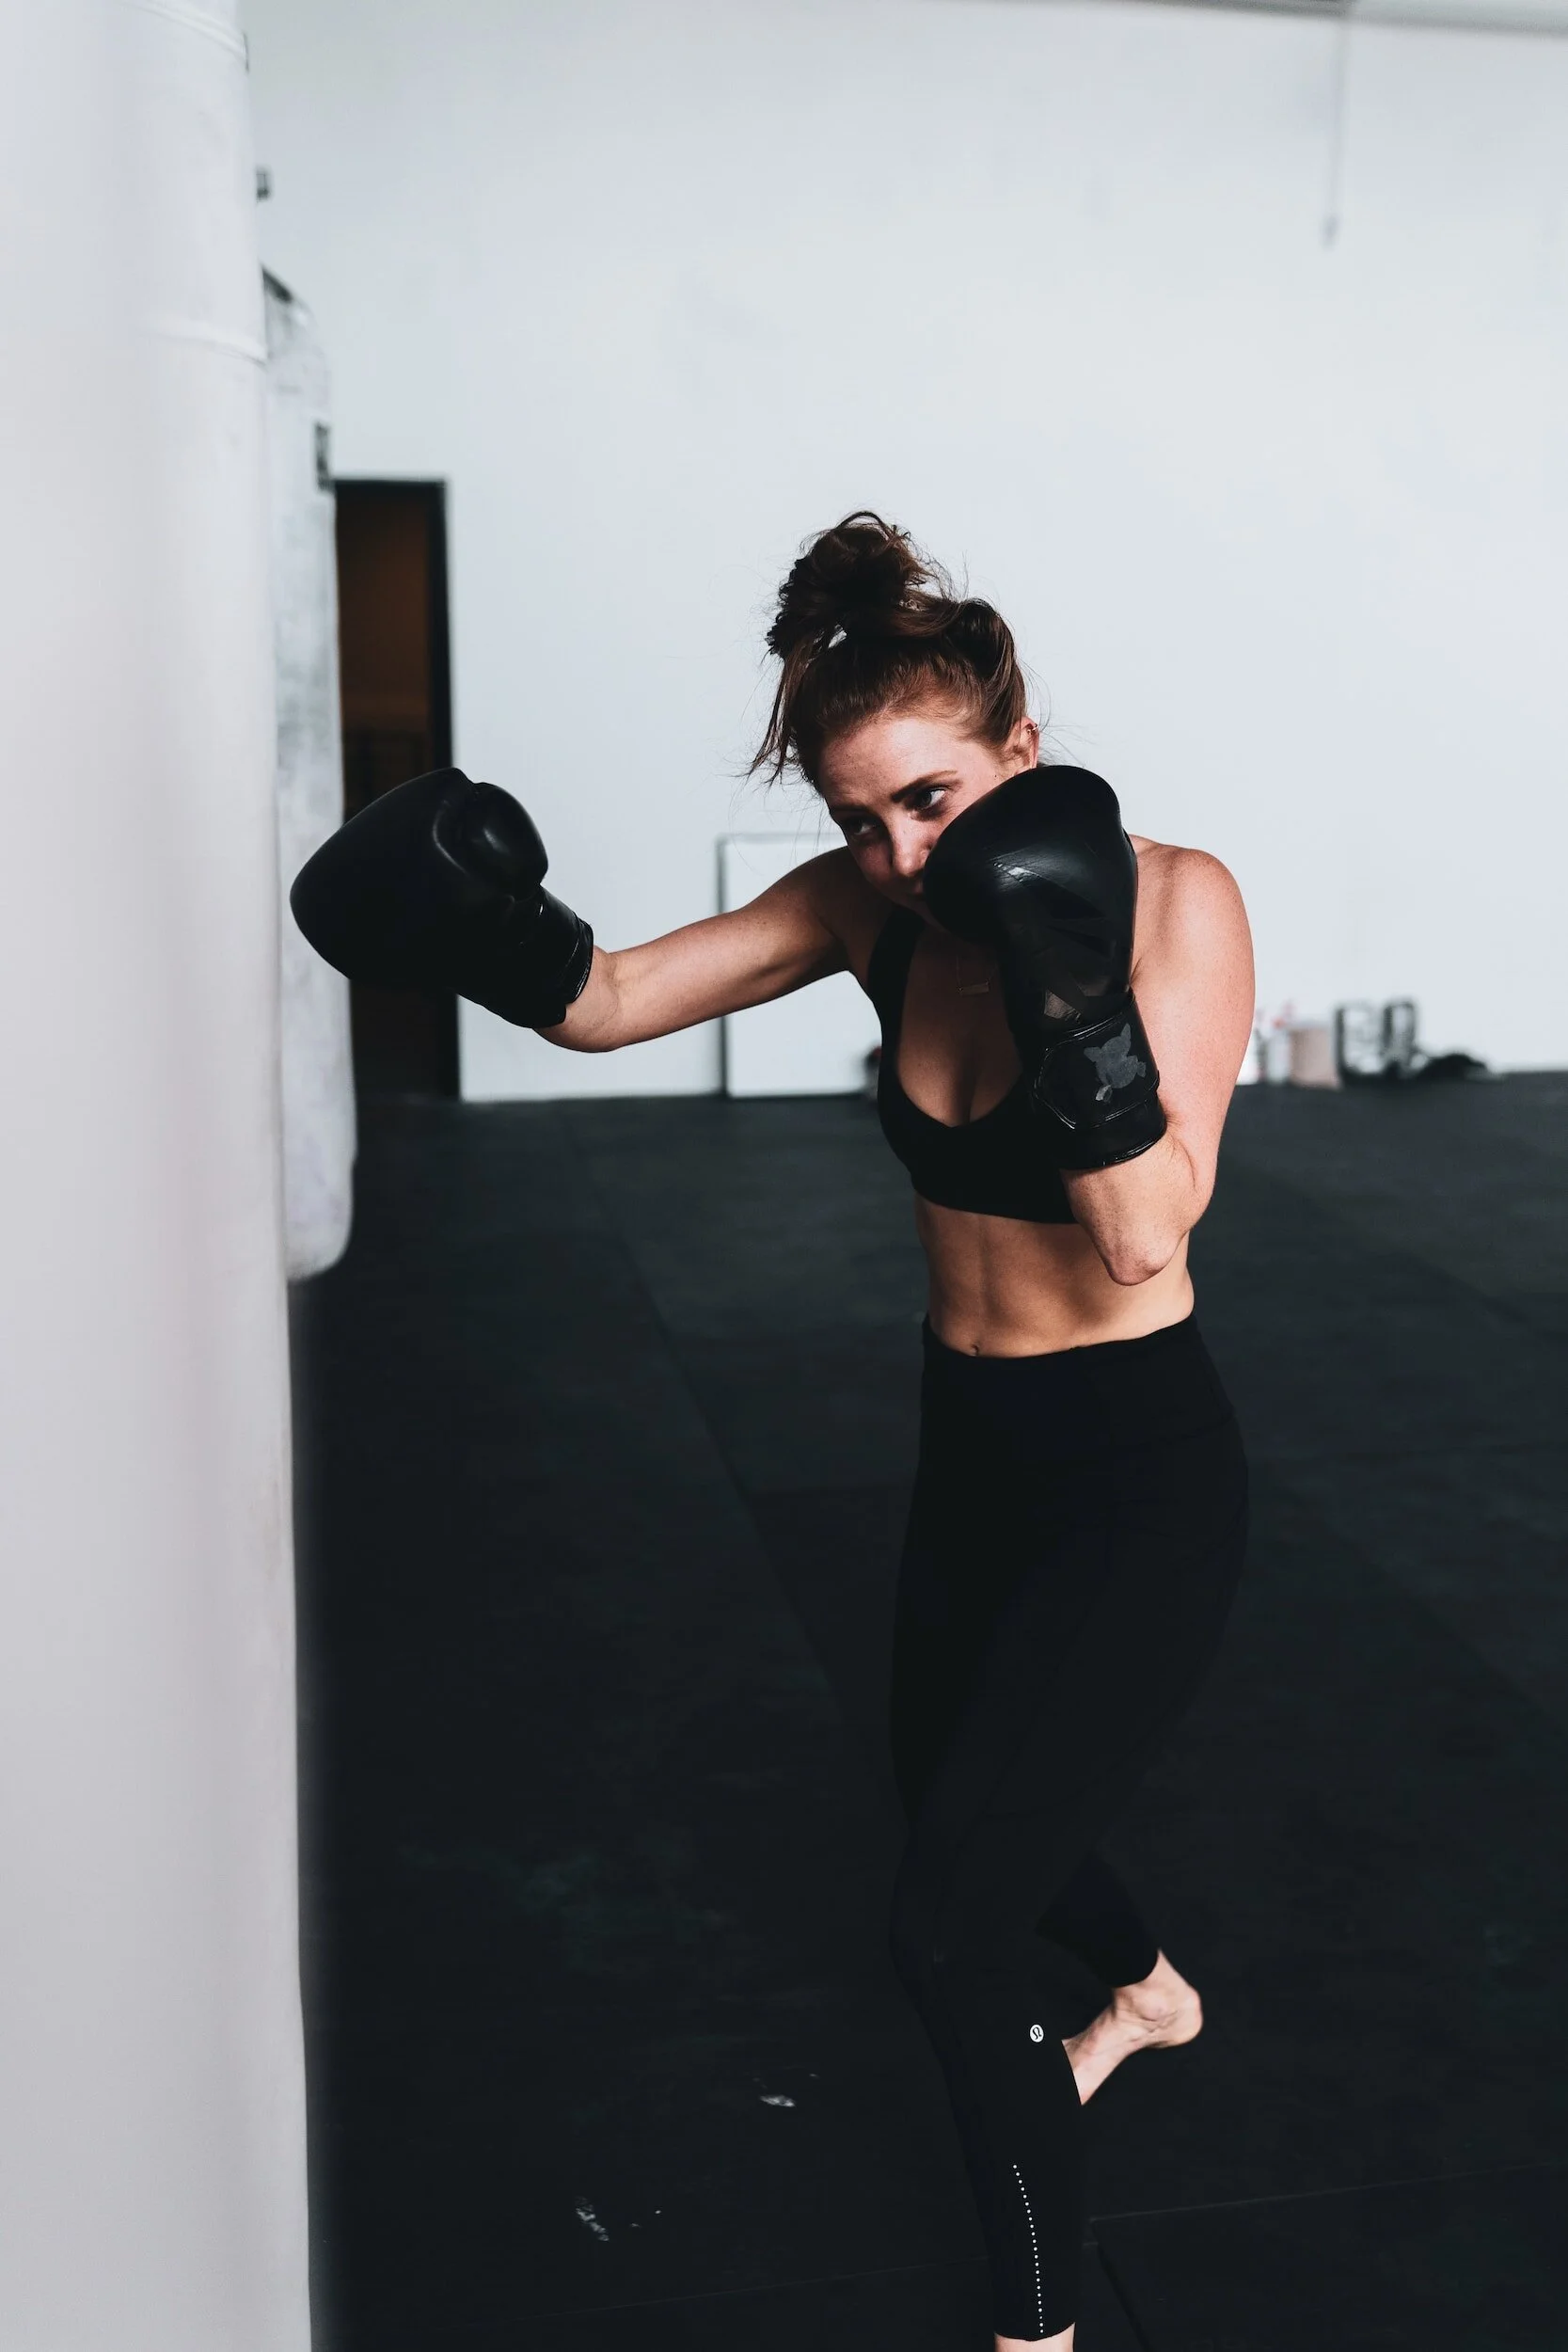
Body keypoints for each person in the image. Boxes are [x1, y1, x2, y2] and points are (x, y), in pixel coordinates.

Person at [291, 512, 1255, 2351]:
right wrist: (489, 927)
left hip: (1134, 1468)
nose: (900, 857)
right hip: (972, 1442)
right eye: (858, 819)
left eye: (932, 801)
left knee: (949, 1925)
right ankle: (1146, 1991)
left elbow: (1145, 1229)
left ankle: (1039, 2329)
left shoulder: (1170, 900)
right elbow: (608, 1005)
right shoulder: (861, 909)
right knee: (957, 1799)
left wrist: (1062, 977)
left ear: (1022, 753)